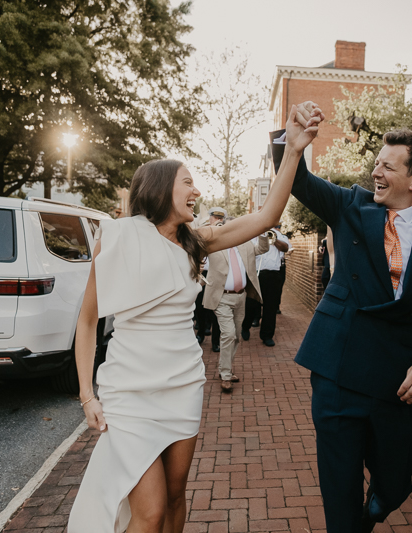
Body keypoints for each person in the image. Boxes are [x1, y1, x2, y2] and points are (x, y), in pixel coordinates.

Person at [67, 102, 324, 533]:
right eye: (188, 183)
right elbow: (87, 320)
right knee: (147, 513)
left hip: (182, 383)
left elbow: (267, 217)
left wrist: (293, 151)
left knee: (173, 496)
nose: (197, 192)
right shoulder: (116, 238)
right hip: (129, 390)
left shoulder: (195, 241)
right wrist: (87, 395)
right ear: (160, 187)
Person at [272, 126, 412, 533]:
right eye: (375, 164)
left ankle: (377, 505)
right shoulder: (351, 206)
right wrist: (291, 138)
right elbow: (298, 180)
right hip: (337, 367)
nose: (377, 173)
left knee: (397, 477)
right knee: (340, 488)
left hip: (397, 377)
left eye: (388, 166)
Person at [202, 218, 269, 392]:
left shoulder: (245, 244)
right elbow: (198, 246)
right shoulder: (214, 246)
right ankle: (225, 374)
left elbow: (262, 248)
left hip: (241, 297)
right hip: (221, 298)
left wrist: (262, 233)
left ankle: (226, 368)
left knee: (236, 336)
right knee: (228, 334)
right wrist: (210, 227)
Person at [244, 224, 291, 346]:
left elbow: (286, 248)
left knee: (270, 307)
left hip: (273, 275)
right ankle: (245, 326)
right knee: (251, 304)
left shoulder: (280, 235)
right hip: (256, 274)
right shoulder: (254, 234)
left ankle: (267, 335)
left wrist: (274, 239)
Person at [194, 207, 227, 347]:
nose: (218, 221)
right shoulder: (203, 232)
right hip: (203, 274)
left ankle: (215, 342)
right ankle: (200, 333)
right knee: (200, 307)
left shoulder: (223, 236)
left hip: (217, 274)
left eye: (220, 219)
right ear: (210, 218)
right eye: (215, 218)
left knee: (215, 309)